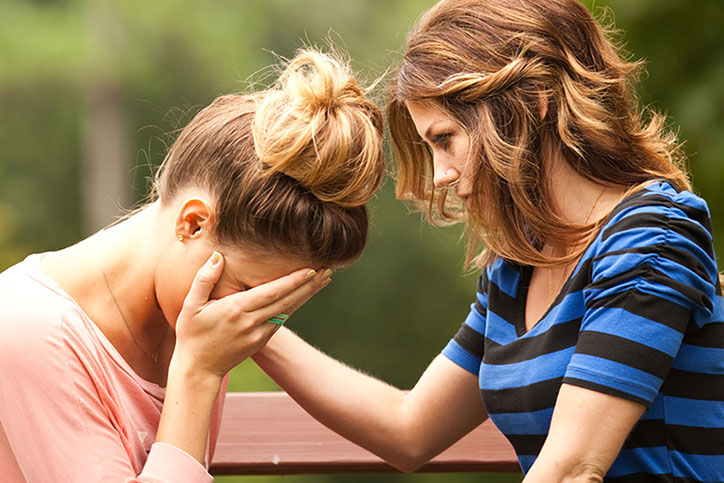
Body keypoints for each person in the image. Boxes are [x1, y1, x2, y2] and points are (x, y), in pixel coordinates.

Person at [251, 1, 724, 481]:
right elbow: (408, 430)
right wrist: (252, 318)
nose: (438, 175)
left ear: (534, 99)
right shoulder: (517, 268)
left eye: (445, 138)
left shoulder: (652, 235)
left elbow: (573, 468)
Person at [0, 49, 385, 482]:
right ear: (194, 222)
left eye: (276, 304)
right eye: (247, 292)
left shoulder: (199, 312)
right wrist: (198, 372)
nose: (254, 315)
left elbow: (401, 431)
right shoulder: (28, 330)